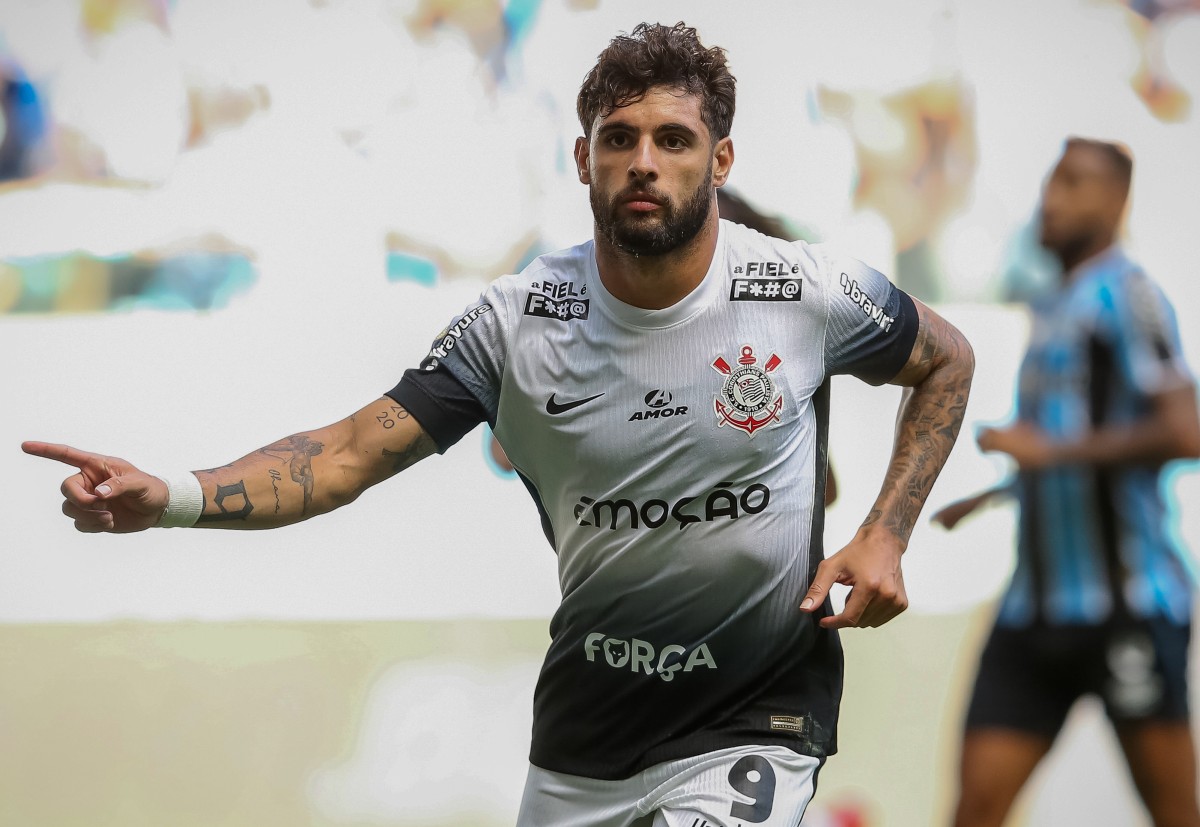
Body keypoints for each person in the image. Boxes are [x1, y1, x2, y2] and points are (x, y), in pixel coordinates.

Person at [24, 22, 974, 826]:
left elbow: (946, 357)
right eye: (619, 137)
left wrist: (885, 532)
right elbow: (347, 453)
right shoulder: (517, 323)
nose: (644, 161)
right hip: (583, 741)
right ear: (582, 159)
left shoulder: (803, 289)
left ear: (720, 160)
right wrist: (175, 496)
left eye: (674, 140)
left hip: (754, 716)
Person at [935, 137, 1200, 827]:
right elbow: (1060, 448)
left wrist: (1047, 454)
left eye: (1075, 184)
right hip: (1033, 613)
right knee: (974, 807)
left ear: (1116, 201)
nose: (1051, 200)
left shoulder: (1131, 296)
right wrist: (995, 492)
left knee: (1173, 810)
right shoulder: (1052, 307)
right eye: (1051, 182)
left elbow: (1186, 431)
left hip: (1127, 606)